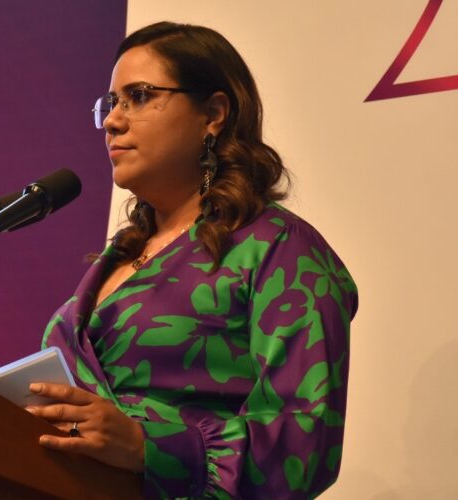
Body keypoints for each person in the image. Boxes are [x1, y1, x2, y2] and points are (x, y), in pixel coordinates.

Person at [24, 22, 358, 498]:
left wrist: (148, 447)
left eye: (139, 96)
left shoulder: (278, 248)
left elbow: (305, 444)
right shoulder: (118, 258)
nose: (113, 121)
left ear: (213, 114)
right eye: (111, 102)